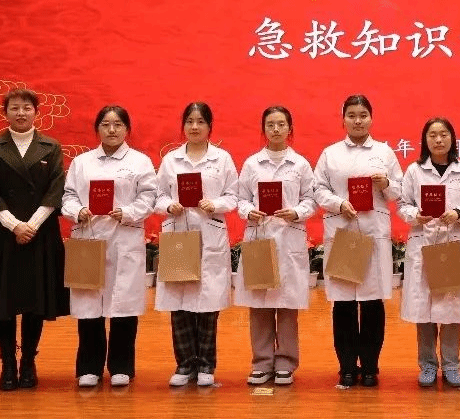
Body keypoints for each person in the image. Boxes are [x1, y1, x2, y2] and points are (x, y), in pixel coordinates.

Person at [0, 88, 69, 391]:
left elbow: (55, 190)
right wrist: (15, 226)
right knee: (4, 302)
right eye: (14, 108)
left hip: (40, 233)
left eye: (26, 108)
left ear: (36, 112)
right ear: (5, 113)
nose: (21, 113)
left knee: (35, 302)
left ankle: (29, 363)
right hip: (3, 235)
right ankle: (8, 364)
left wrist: (31, 225)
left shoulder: (51, 146)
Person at [61, 105, 158, 387]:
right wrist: (77, 211)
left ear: (127, 129)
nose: (112, 130)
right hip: (89, 236)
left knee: (123, 304)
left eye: (118, 124)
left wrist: (127, 212)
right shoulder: (82, 162)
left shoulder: (140, 162)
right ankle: (89, 367)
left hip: (123, 238)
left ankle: (121, 366)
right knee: (89, 304)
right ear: (97, 129)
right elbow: (68, 196)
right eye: (105, 124)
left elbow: (149, 197)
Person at [313, 94, 402, 388]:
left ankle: (371, 366)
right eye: (351, 115)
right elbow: (318, 189)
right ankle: (347, 366)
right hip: (343, 232)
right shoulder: (331, 154)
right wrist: (339, 204)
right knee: (344, 304)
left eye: (363, 115)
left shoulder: (384, 152)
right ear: (343, 120)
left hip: (373, 232)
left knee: (373, 303)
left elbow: (399, 191)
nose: (358, 121)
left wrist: (385, 183)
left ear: (371, 118)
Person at [155, 102, 239, 387]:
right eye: (189, 121)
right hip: (179, 235)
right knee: (179, 302)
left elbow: (234, 196)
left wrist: (215, 204)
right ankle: (184, 364)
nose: (194, 126)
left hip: (209, 235)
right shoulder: (171, 160)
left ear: (209, 126)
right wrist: (169, 205)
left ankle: (206, 364)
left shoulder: (222, 159)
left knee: (207, 303)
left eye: (200, 121)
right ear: (183, 126)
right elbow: (157, 196)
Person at [235, 106, 317, 387]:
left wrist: (296, 212)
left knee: (287, 304)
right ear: (264, 129)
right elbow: (240, 198)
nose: (276, 129)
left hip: (289, 237)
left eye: (281, 124)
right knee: (259, 304)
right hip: (260, 236)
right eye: (270, 124)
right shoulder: (252, 164)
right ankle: (261, 362)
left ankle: (286, 362)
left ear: (290, 128)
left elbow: (311, 199)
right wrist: (249, 211)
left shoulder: (300, 164)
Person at [398, 117, 460, 388]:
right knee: (424, 311)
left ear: (452, 139)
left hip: (451, 244)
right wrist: (415, 215)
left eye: (443, 134)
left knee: (452, 309)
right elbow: (403, 204)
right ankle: (428, 365)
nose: (438, 139)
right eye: (432, 135)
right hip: (423, 244)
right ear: (425, 140)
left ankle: (452, 364)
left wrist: (458, 213)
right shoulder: (414, 171)